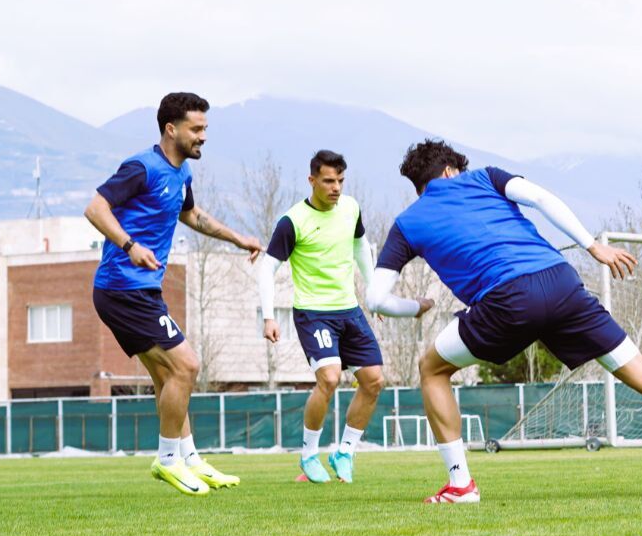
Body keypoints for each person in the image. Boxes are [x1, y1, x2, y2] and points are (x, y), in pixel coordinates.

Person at [365, 139, 642, 503]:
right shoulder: (485, 178)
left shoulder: (408, 222)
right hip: (560, 281)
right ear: (451, 170)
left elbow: (376, 299)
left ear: (423, 183)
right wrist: (593, 246)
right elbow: (541, 198)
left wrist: (416, 307)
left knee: (432, 368)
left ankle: (460, 484)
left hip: (506, 300)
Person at [85, 92, 262, 496]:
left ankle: (191, 459)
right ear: (171, 129)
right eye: (196, 129)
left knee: (169, 375)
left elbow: (192, 215)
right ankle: (167, 461)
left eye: (205, 129)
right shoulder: (141, 168)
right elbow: (95, 208)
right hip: (122, 288)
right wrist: (130, 246)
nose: (203, 136)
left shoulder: (182, 175)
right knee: (186, 365)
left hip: (144, 291)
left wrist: (238, 239)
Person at [257, 150, 432, 483]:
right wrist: (268, 316)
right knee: (330, 378)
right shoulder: (293, 221)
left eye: (340, 180)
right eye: (328, 181)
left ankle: (344, 452)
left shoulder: (351, 208)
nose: (335, 187)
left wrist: (375, 295)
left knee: (374, 380)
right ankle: (309, 455)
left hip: (349, 310)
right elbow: (267, 268)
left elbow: (360, 248)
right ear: (312, 180)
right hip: (313, 313)